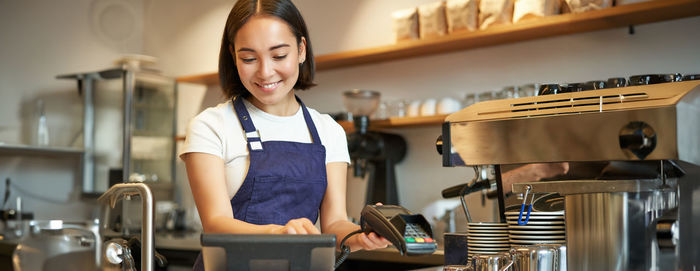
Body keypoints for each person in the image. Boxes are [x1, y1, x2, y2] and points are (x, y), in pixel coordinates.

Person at [180, 0, 390, 269]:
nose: (265, 72)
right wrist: (279, 233)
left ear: (301, 50)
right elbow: (216, 224)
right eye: (248, 58)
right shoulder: (210, 126)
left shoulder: (329, 131)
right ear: (233, 56)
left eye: (279, 55)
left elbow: (334, 223)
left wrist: (361, 237)